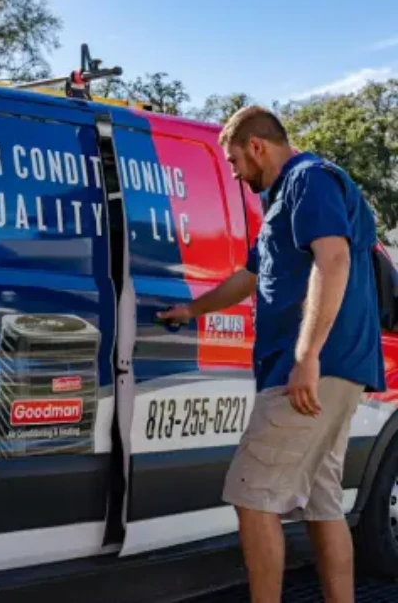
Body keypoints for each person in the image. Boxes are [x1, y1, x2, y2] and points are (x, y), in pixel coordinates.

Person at [157, 106, 385, 603]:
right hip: (336, 371)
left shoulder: (311, 180)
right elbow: (249, 276)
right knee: (323, 504)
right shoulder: (285, 199)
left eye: (236, 162)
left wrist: (307, 355)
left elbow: (335, 258)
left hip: (310, 371)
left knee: (251, 496)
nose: (236, 175)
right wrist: (191, 308)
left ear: (258, 146)